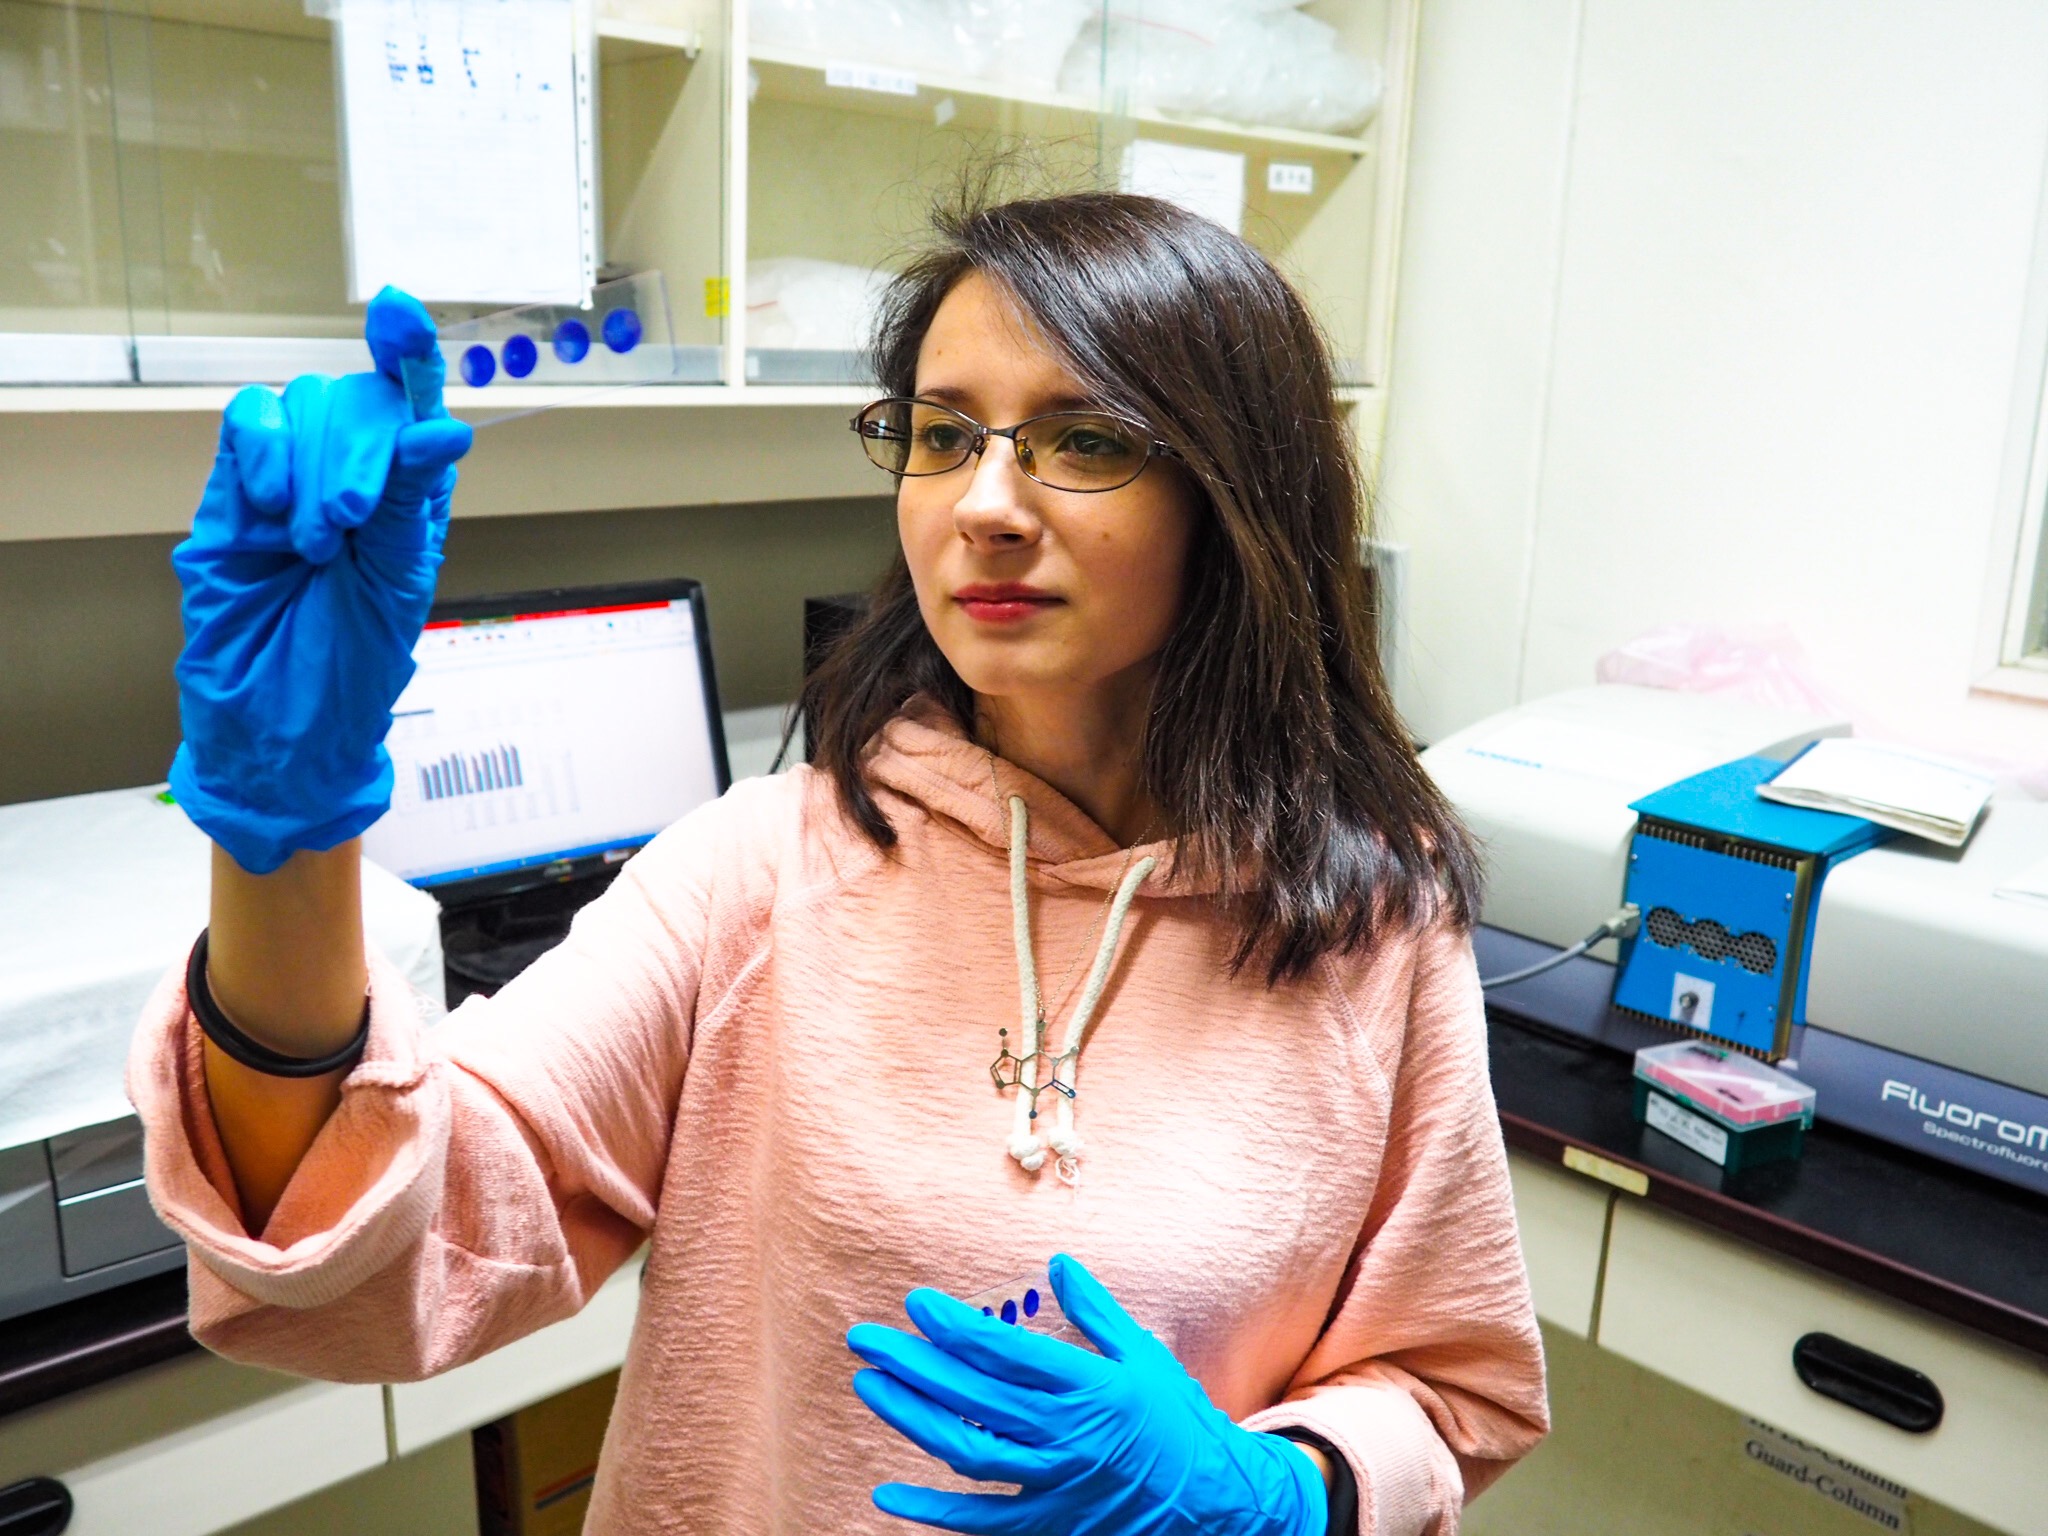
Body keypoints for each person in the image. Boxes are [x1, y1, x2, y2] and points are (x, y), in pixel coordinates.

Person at [131, 191, 1548, 1536]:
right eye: (943, 434)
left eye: (1083, 439)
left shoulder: (1369, 919)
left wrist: (1276, 1496)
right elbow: (373, 1249)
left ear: (1237, 494)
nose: (986, 503)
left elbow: (1452, 1387)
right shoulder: (759, 874)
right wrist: (286, 843)